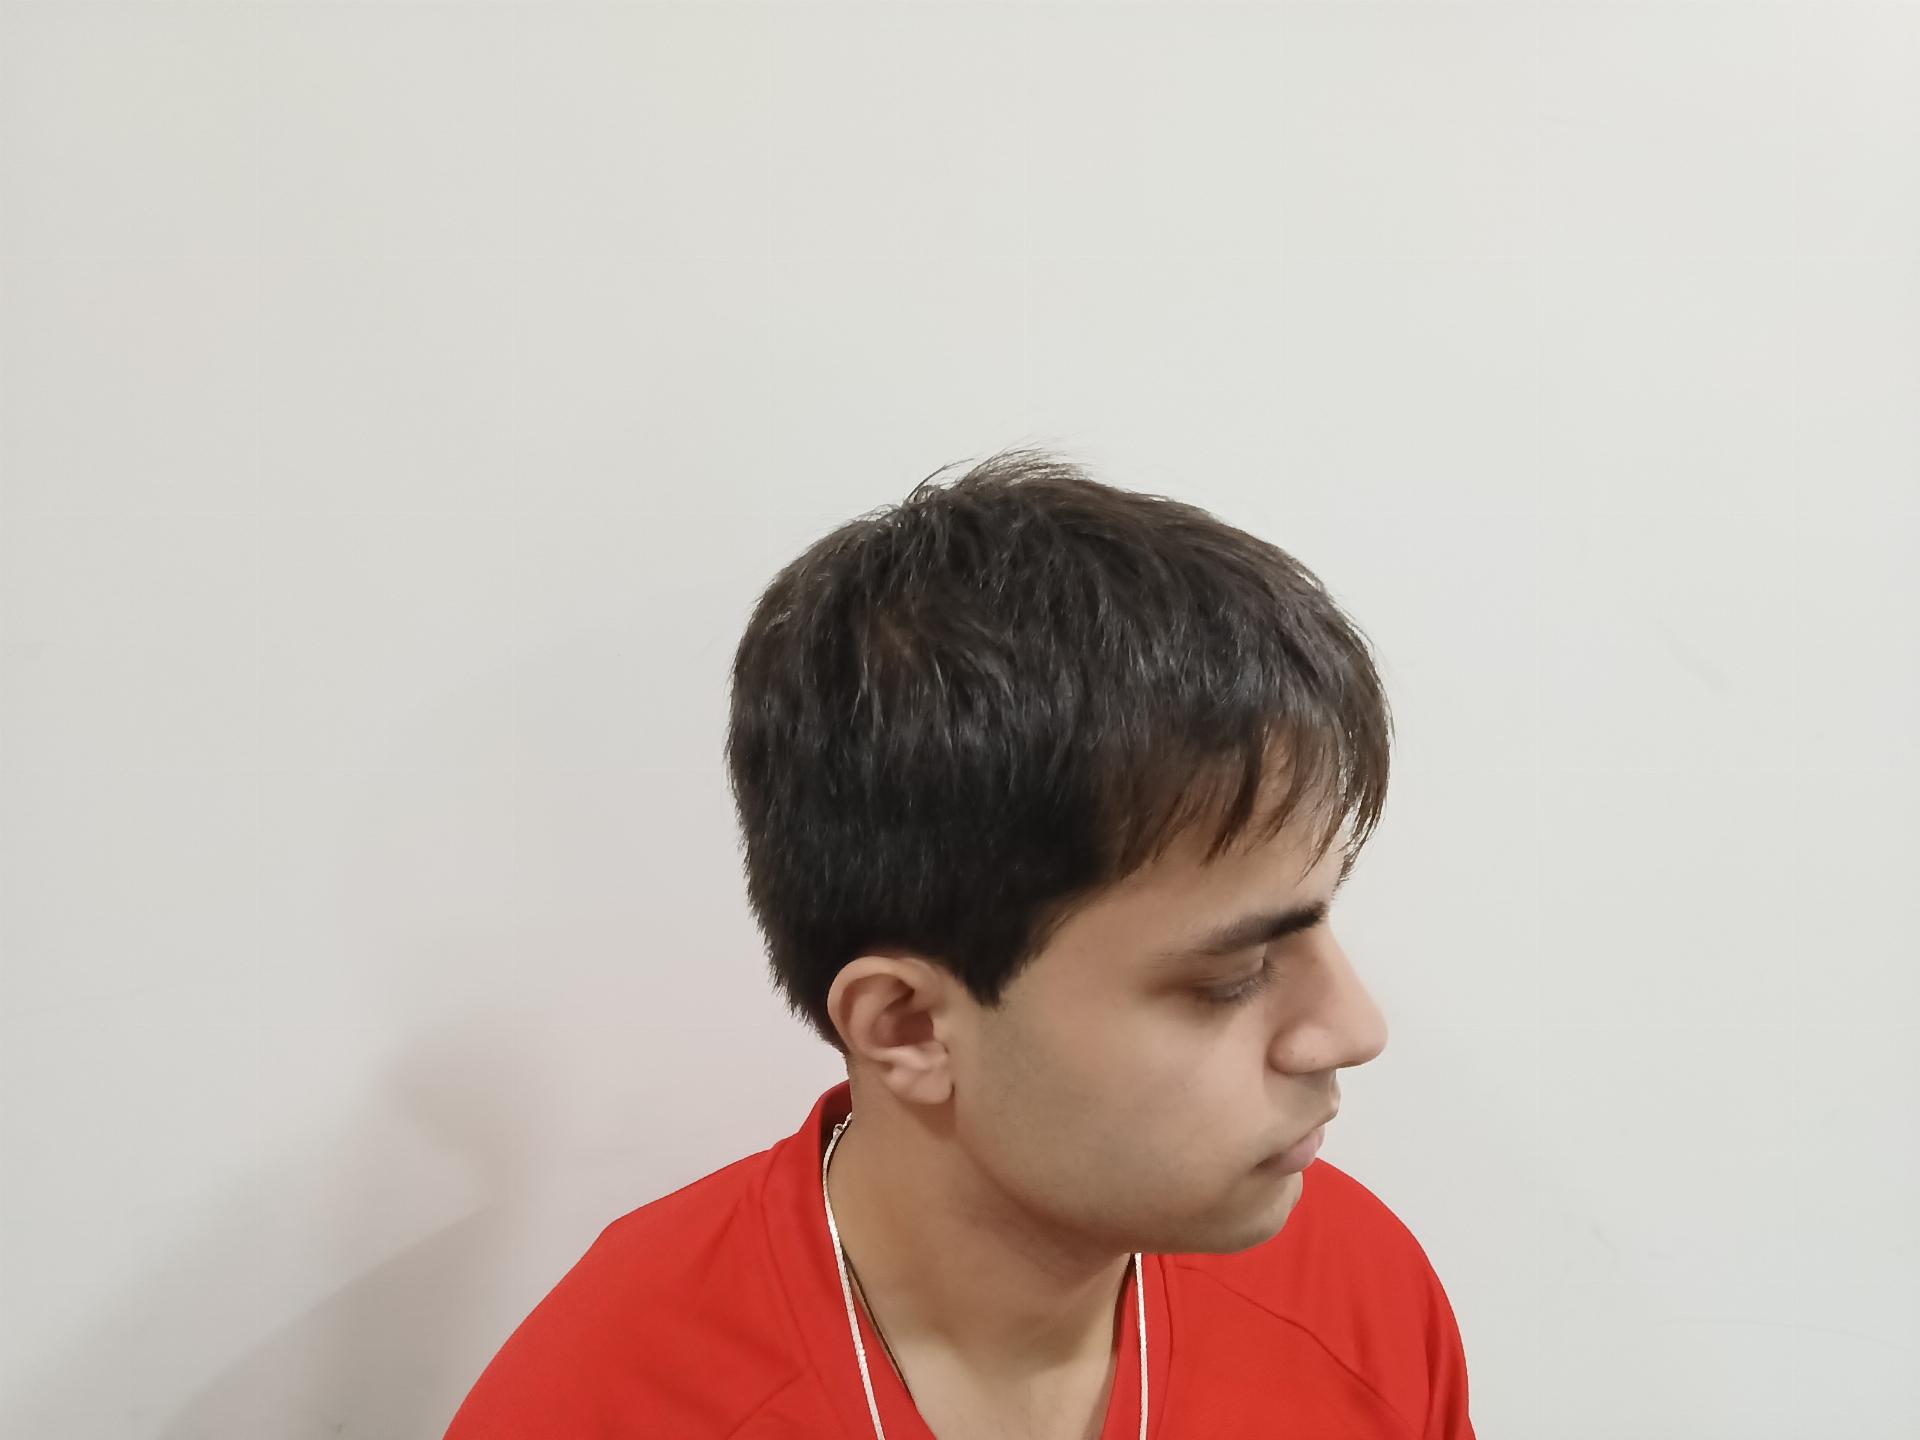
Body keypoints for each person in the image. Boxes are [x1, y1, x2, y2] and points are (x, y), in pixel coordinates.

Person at [444, 448, 1476, 1439]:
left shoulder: (1356, 1292)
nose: (1353, 1028)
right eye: (1232, 976)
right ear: (908, 1027)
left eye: (1320, 919)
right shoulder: (604, 1404)